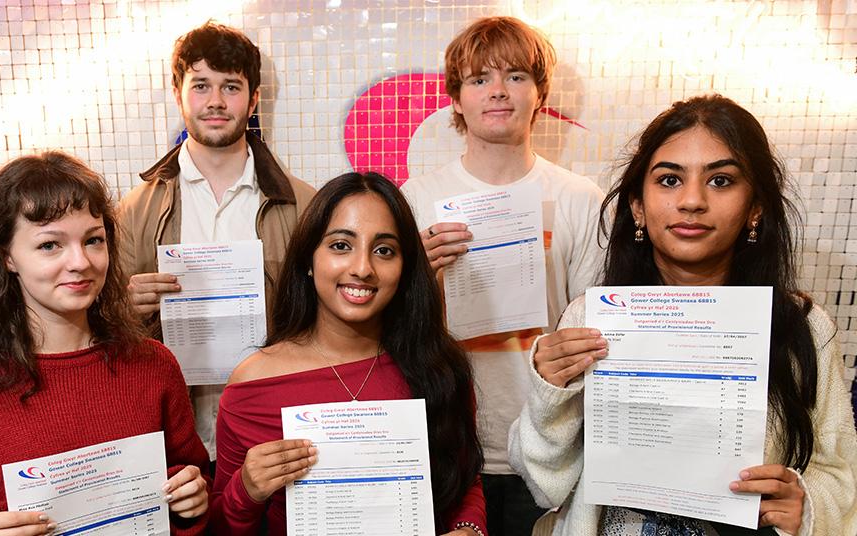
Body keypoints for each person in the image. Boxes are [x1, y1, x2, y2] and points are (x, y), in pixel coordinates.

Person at [508, 94, 857, 536]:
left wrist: (805, 506)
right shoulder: (591, 319)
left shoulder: (803, 327)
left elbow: (841, 473)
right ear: (638, 205)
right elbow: (544, 482)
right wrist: (549, 391)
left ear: (756, 207)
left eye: (722, 181)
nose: (692, 200)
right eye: (670, 180)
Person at [0, 152, 210, 535]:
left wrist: (191, 499)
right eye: (50, 245)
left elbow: (192, 476)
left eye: (94, 240)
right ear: (7, 257)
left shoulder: (154, 364)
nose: (80, 261)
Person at [400, 16, 605, 535]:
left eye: (515, 75)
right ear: (455, 99)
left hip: (548, 446)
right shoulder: (415, 199)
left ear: (539, 95)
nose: (497, 91)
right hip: (445, 442)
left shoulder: (582, 199)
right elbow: (380, 329)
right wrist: (415, 281)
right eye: (478, 79)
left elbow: (593, 330)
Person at [210, 172, 487, 536]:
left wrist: (470, 529)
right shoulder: (252, 386)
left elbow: (463, 482)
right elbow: (221, 527)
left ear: (405, 269)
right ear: (309, 259)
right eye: (341, 245)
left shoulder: (439, 367)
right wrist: (246, 489)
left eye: (384, 250)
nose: (362, 268)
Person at [118, 20, 316, 466]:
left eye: (231, 87)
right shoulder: (134, 210)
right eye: (201, 85)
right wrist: (123, 306)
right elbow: (104, 334)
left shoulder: (304, 205)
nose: (215, 102)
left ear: (254, 100)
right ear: (178, 93)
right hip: (176, 441)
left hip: (271, 434)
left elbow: (327, 327)